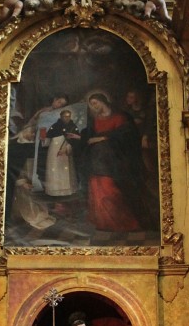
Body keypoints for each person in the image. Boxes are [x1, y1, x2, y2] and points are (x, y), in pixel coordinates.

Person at [81, 93, 144, 232]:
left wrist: (103, 138)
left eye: (96, 102)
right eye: (92, 104)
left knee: (110, 189)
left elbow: (127, 135)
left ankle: (121, 223)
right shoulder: (93, 121)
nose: (94, 106)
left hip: (114, 161)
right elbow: (88, 138)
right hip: (96, 161)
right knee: (95, 188)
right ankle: (102, 223)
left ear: (104, 101)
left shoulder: (120, 117)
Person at [44, 108, 80, 197]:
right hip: (54, 149)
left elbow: (76, 140)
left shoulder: (73, 126)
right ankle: (55, 190)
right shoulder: (55, 126)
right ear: (61, 117)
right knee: (55, 168)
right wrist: (43, 139)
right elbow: (47, 140)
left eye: (69, 116)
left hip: (67, 149)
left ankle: (67, 191)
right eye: (65, 116)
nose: (67, 118)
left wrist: (67, 147)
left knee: (66, 169)